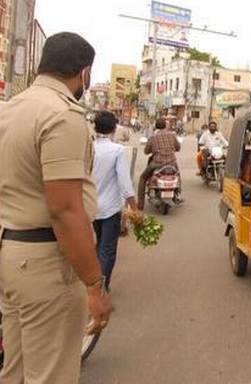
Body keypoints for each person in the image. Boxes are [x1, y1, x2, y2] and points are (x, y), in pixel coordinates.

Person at [0, 32, 112, 384]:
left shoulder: (10, 109)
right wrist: (94, 285)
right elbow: (65, 210)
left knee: (15, 372)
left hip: (12, 253)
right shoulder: (62, 115)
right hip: (47, 263)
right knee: (50, 376)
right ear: (84, 73)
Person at [93, 111, 142, 290]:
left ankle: (94, 286)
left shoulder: (89, 148)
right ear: (114, 129)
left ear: (95, 127)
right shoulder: (117, 151)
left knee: (95, 248)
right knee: (107, 251)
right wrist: (134, 208)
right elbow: (125, 182)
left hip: (89, 209)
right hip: (110, 210)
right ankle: (101, 288)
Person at [137, 118, 181, 210]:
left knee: (142, 178)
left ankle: (140, 204)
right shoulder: (172, 135)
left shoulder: (153, 137)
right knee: (177, 174)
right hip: (172, 163)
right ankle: (178, 194)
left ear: (155, 126)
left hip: (157, 164)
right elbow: (178, 148)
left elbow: (146, 151)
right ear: (165, 125)